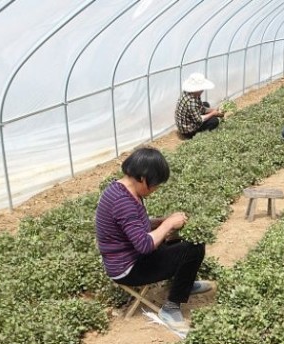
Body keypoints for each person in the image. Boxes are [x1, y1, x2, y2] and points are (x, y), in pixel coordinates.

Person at [95, 147, 209, 330]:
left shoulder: (123, 189)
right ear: (142, 178)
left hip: (133, 257)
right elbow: (144, 245)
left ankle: (184, 284)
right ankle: (171, 308)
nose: (155, 189)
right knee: (193, 249)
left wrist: (160, 222)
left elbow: (134, 225)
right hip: (129, 269)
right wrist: (168, 225)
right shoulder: (122, 202)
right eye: (155, 184)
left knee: (182, 241)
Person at [175, 72, 224, 139]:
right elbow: (199, 120)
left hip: (184, 123)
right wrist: (213, 113)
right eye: (201, 88)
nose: (203, 90)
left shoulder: (188, 93)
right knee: (214, 121)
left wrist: (213, 110)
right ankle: (199, 136)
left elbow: (200, 107)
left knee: (205, 104)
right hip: (188, 131)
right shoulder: (191, 102)